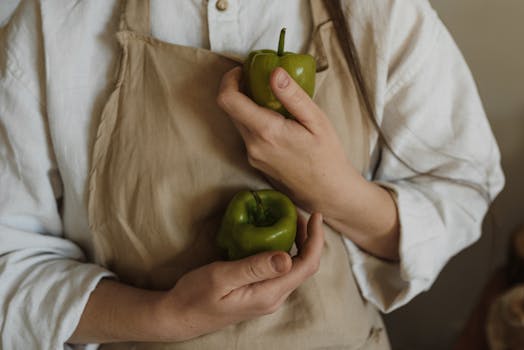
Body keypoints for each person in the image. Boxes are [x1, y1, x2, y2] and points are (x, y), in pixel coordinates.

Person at [0, 0, 504, 349]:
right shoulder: (52, 21)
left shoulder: (382, 14)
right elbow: (9, 259)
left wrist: (334, 189)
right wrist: (164, 317)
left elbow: (459, 189)